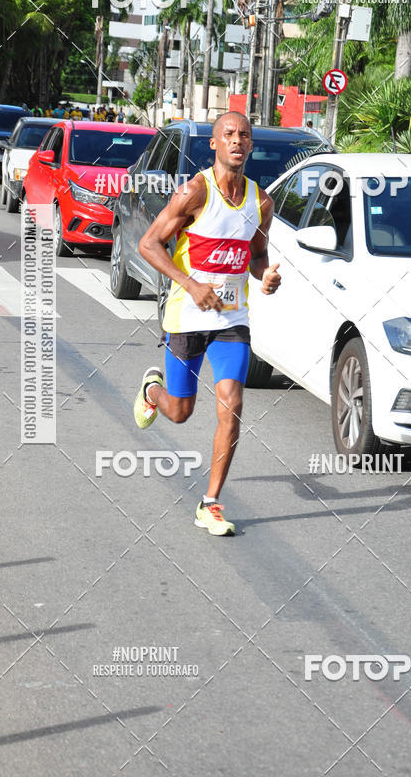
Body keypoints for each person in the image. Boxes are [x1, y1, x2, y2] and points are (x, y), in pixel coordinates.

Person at [134, 111, 281, 536]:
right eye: (229, 135)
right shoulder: (194, 192)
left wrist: (265, 275)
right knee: (180, 412)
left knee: (232, 405)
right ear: (214, 144)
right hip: (186, 316)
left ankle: (210, 502)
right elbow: (149, 243)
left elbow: (256, 256)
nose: (237, 141)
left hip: (232, 320)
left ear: (251, 146)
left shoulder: (261, 202)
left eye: (244, 136)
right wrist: (191, 283)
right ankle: (152, 391)